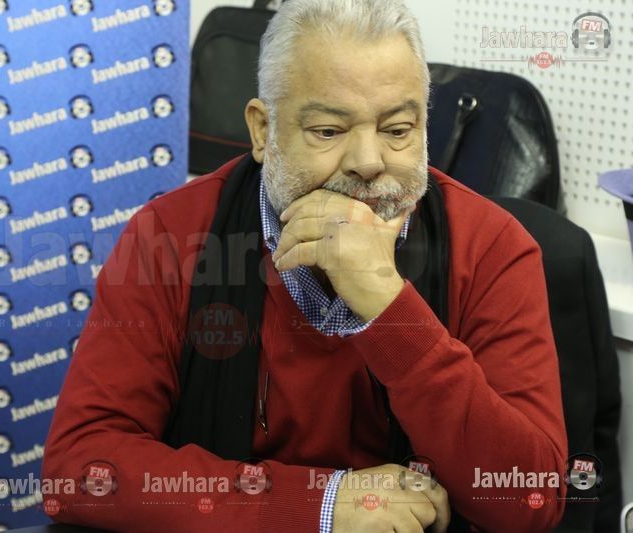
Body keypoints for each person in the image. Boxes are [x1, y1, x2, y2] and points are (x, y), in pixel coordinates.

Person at [42, 0, 568, 531]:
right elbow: (79, 468)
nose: (368, 161)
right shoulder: (169, 237)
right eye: (328, 131)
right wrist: (319, 504)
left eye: (397, 129)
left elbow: (529, 501)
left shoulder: (493, 248)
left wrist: (390, 309)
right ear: (262, 131)